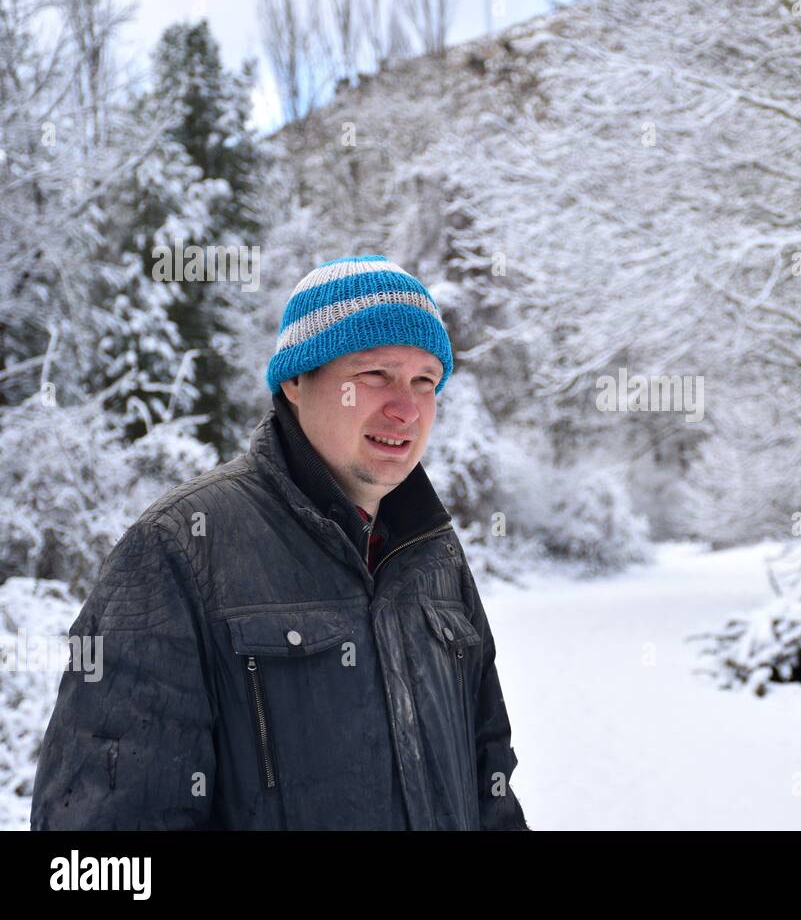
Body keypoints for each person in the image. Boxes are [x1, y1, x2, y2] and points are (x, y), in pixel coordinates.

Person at [30, 255, 529, 830]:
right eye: (375, 375)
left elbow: (489, 785)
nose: (407, 408)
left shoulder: (433, 553)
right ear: (296, 380)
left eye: (425, 381)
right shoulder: (181, 549)